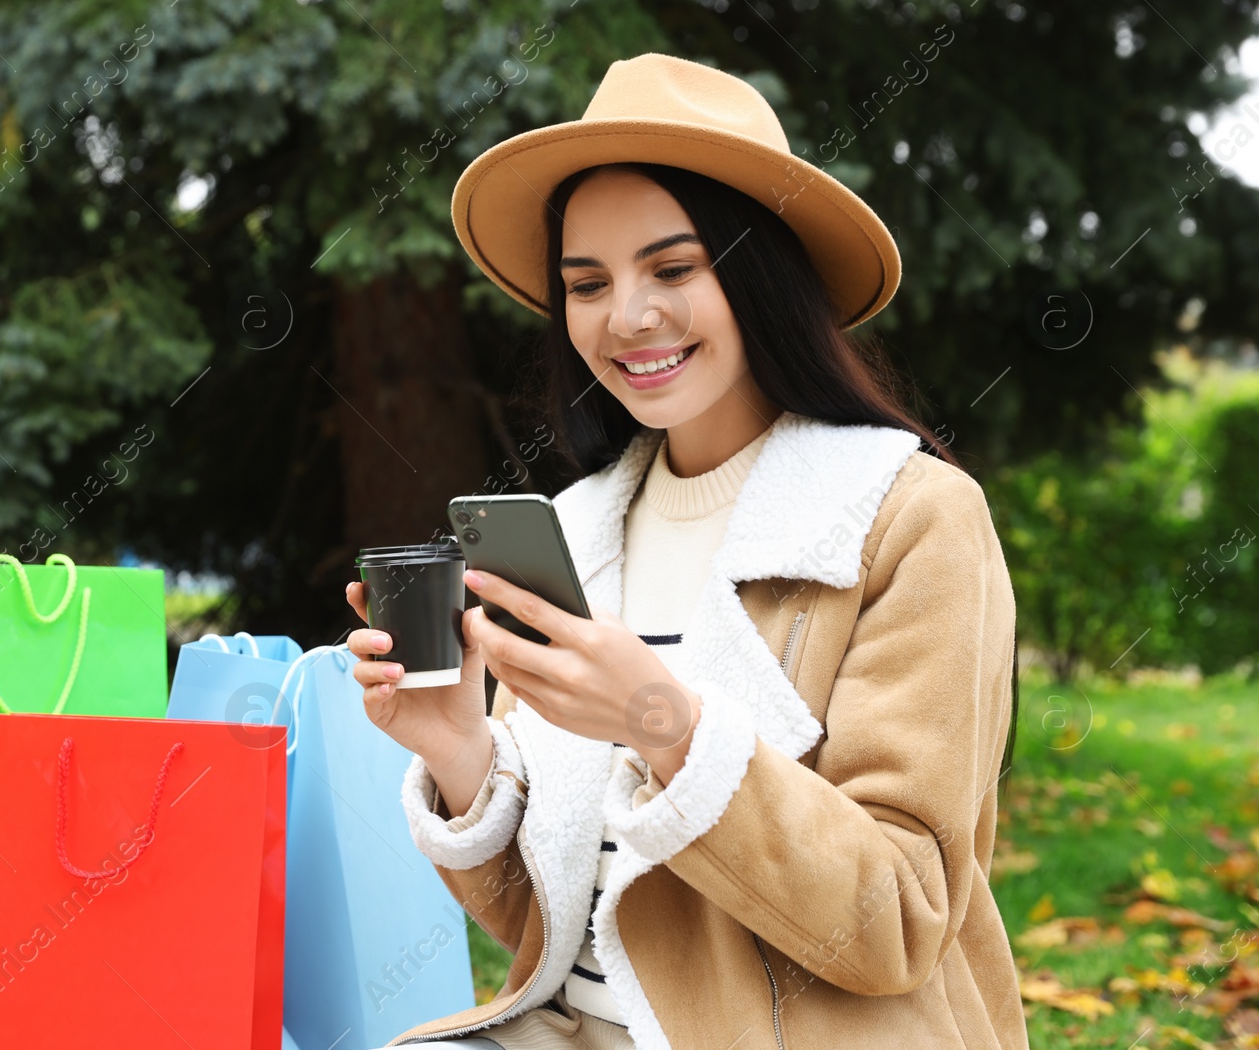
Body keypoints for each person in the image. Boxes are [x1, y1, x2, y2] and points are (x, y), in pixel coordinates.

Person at [343, 53, 1025, 1050]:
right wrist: (457, 754)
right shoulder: (574, 531)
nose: (626, 317)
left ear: (760, 277)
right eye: (587, 283)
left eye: (672, 268)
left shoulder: (907, 516)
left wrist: (661, 722)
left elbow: (895, 918)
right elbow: (552, 924)